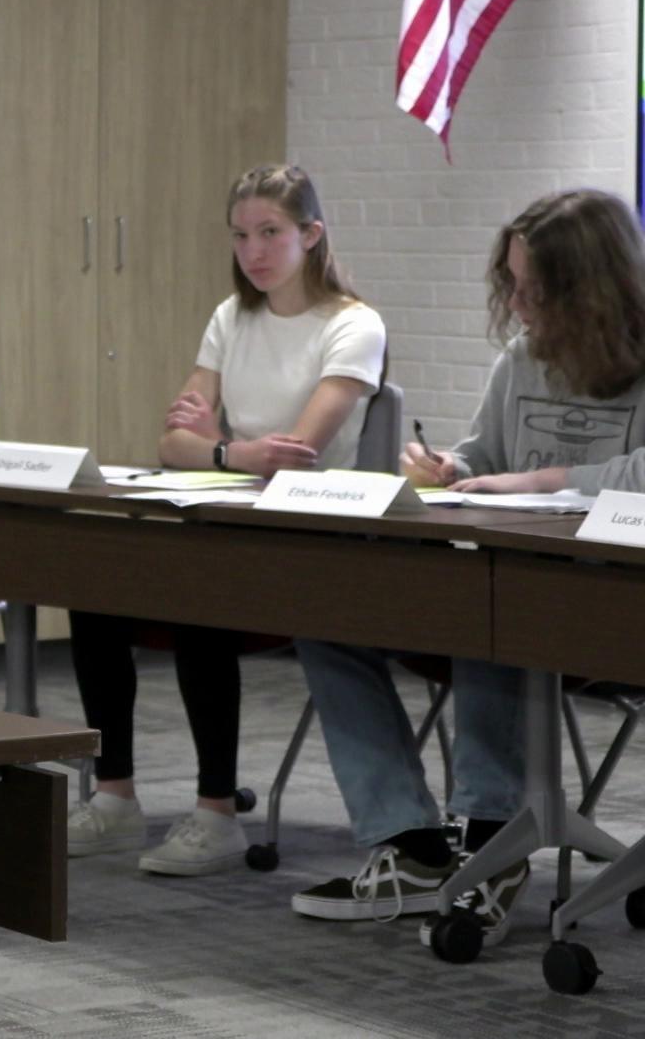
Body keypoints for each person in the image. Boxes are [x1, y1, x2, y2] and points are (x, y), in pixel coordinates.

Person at [291, 188, 645, 945]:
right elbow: (487, 455)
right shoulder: (522, 359)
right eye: (511, 284)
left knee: (490, 616)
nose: (517, 304)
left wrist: (543, 481)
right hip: (515, 572)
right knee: (325, 618)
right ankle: (411, 844)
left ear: (591, 288)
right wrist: (449, 465)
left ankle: (490, 838)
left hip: (616, 597)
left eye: (536, 289)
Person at [66, 164, 385, 877]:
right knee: (92, 588)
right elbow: (171, 444)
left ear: (311, 235)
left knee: (199, 594)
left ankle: (216, 812)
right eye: (241, 236)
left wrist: (218, 447)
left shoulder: (353, 324)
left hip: (310, 535)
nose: (254, 251)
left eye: (270, 233)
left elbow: (298, 456)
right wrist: (236, 449)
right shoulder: (230, 317)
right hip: (226, 513)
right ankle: (114, 796)